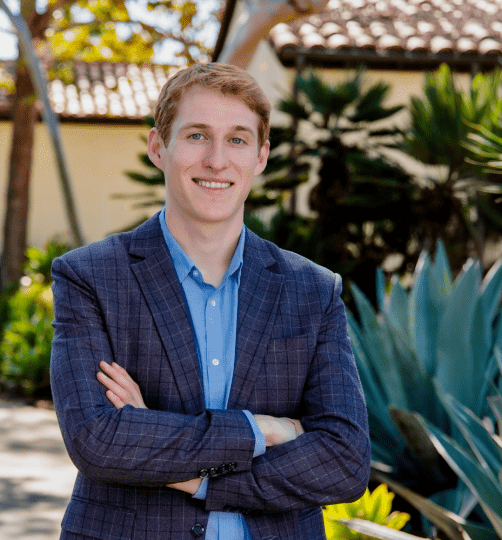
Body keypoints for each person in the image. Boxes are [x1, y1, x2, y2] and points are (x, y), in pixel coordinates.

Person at [49, 62, 370, 540]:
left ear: (260, 156)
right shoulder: (90, 276)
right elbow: (98, 440)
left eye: (237, 140)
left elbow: (344, 461)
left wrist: (194, 476)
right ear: (160, 147)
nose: (217, 160)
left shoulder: (313, 290)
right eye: (197, 136)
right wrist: (266, 430)